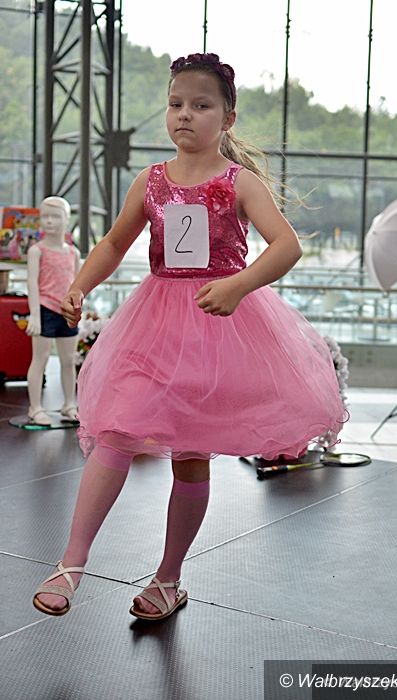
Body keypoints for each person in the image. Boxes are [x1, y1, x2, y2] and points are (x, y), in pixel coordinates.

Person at [32, 53, 346, 620]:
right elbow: (114, 242)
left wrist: (238, 285)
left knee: (191, 455)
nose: (184, 114)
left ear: (227, 118)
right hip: (154, 323)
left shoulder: (239, 183)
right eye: (176, 103)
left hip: (218, 327)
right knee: (117, 429)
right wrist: (79, 284)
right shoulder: (151, 181)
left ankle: (168, 577)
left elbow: (287, 245)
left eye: (200, 105)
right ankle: (71, 562)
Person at [26, 196, 81, 425]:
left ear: (66, 219)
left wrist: (79, 309)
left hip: (67, 310)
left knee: (68, 360)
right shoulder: (37, 251)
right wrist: (35, 314)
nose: (49, 221)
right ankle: (35, 407)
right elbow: (32, 283)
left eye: (55, 216)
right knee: (40, 359)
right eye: (45, 216)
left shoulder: (73, 253)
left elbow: (78, 283)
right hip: (45, 309)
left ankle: (69, 404)